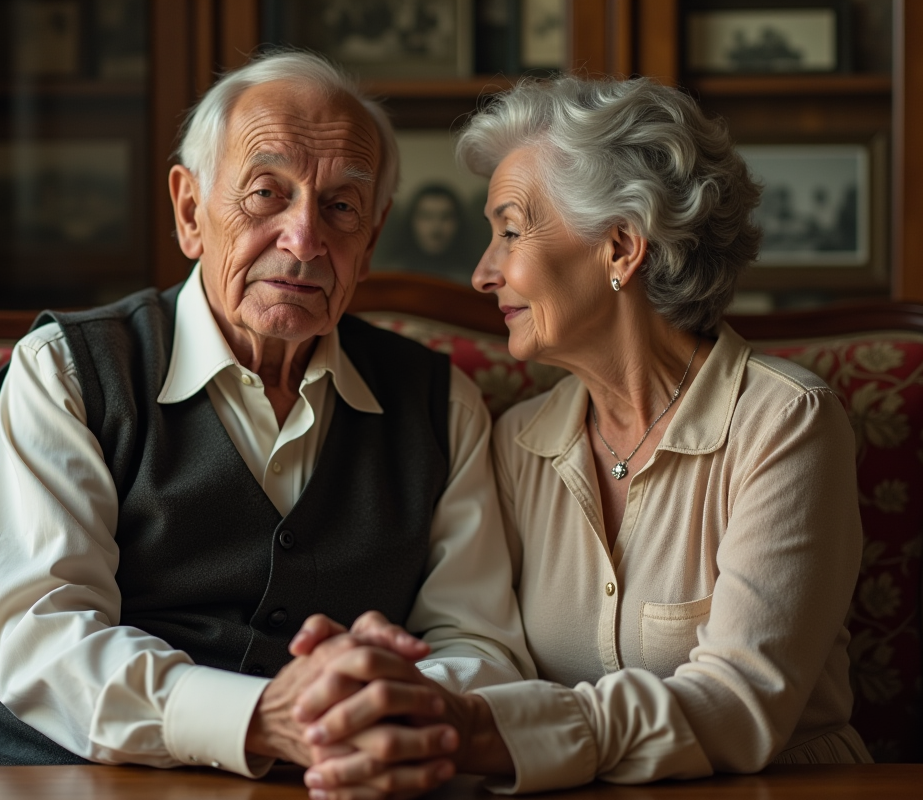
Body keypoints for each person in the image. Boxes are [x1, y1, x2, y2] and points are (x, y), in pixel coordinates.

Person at [0, 50, 534, 780]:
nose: (304, 241)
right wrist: (260, 719)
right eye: (267, 193)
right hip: (47, 773)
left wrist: (387, 716)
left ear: (370, 239)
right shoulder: (68, 373)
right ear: (189, 210)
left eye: (340, 207)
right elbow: (45, 637)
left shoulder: (438, 404)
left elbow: (481, 648)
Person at [290, 75, 872, 797]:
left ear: (621, 248)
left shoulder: (783, 424)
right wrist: (394, 683)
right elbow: (483, 650)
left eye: (509, 230)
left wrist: (478, 731)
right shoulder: (515, 442)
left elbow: (741, 701)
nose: (481, 272)